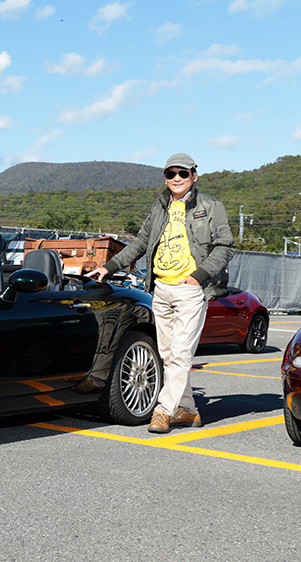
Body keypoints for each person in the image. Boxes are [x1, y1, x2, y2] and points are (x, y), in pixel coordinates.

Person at [86, 153, 235, 433]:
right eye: (171, 174)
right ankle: (188, 409)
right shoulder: (160, 206)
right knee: (168, 355)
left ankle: (163, 410)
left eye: (183, 173)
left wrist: (198, 276)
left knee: (180, 354)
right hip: (160, 289)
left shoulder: (210, 206)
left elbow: (226, 246)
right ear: (165, 178)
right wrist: (109, 266)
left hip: (191, 290)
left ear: (194, 175)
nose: (176, 178)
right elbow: (140, 242)